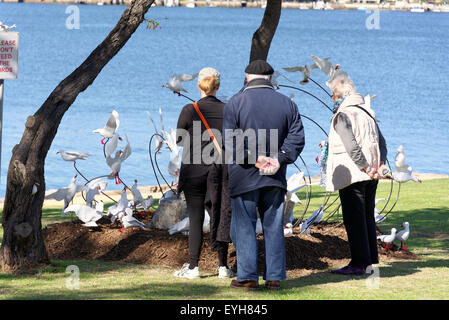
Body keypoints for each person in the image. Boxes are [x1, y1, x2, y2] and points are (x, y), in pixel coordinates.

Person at [223, 60, 305, 290]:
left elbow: (230, 142)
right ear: (271, 78)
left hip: (244, 176)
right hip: (275, 176)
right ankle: (274, 277)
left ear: (247, 76)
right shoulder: (287, 103)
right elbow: (297, 138)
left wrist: (254, 158)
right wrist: (279, 158)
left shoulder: (235, 103)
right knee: (273, 226)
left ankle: (248, 277)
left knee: (245, 226)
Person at [325, 72, 389, 275]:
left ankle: (359, 263)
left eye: (331, 95)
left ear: (336, 95)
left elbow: (351, 145)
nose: (332, 99)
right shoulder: (366, 112)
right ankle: (370, 259)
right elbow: (382, 142)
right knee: (367, 215)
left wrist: (365, 166)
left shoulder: (344, 114)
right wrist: (378, 164)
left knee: (354, 219)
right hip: (371, 174)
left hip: (355, 174)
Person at [174, 67, 234, 279]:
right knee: (220, 213)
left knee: (196, 217)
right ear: (218, 86)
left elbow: (179, 140)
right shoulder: (228, 110)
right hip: (219, 170)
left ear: (198, 85)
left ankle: (193, 267)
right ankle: (222, 267)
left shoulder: (189, 109)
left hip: (194, 170)